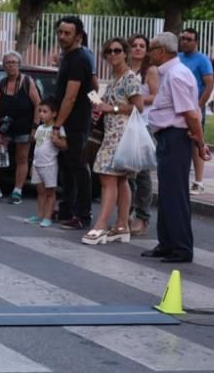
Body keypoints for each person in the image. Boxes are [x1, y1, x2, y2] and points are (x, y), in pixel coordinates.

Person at [140, 32, 209, 263]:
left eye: (151, 49)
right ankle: (167, 243)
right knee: (168, 193)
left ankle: (181, 247)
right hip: (168, 137)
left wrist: (200, 143)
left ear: (161, 51)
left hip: (176, 137)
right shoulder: (170, 73)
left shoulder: (177, 75)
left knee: (175, 194)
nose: (149, 54)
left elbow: (190, 113)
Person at [84, 38, 144, 245]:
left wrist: (113, 109)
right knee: (120, 179)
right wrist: (100, 106)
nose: (113, 54)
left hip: (121, 134)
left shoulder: (129, 78)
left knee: (106, 177)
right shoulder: (113, 77)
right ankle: (121, 226)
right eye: (109, 51)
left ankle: (100, 226)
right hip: (111, 132)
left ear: (125, 53)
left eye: (117, 50)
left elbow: (139, 107)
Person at [0, 51, 40, 204]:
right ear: (4, 66)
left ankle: (17, 191)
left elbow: (38, 104)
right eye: (8, 63)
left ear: (19, 65)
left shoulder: (27, 82)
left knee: (22, 158)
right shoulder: (0, 84)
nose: (11, 65)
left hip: (24, 126)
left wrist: (35, 127)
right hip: (5, 127)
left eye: (14, 62)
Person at [54, 16, 94, 230]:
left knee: (78, 168)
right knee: (67, 168)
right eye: (60, 32)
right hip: (69, 121)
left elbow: (70, 97)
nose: (62, 36)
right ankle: (66, 210)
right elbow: (94, 86)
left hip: (75, 123)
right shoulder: (68, 57)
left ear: (78, 36)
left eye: (67, 33)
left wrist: (57, 125)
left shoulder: (78, 59)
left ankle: (82, 214)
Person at [127, 33, 159, 236]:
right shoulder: (126, 70)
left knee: (142, 172)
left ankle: (143, 215)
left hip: (145, 124)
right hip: (126, 123)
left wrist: (136, 100)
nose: (138, 48)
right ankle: (126, 211)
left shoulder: (150, 71)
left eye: (142, 45)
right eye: (134, 45)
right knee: (126, 170)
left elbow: (157, 96)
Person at [179, 28, 214, 193]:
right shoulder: (178, 58)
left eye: (189, 39)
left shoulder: (202, 60)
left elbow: (209, 84)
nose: (185, 42)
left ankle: (199, 181)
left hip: (194, 108)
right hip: (179, 109)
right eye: (183, 38)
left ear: (196, 41)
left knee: (196, 142)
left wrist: (199, 105)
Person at [28, 98, 66, 228]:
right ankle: (40, 214)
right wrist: (33, 164)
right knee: (40, 192)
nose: (41, 114)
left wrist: (57, 141)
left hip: (49, 165)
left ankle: (48, 216)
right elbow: (36, 147)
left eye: (45, 111)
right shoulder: (39, 128)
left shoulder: (57, 129)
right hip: (37, 164)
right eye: (40, 111)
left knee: (50, 192)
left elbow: (64, 145)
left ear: (54, 114)